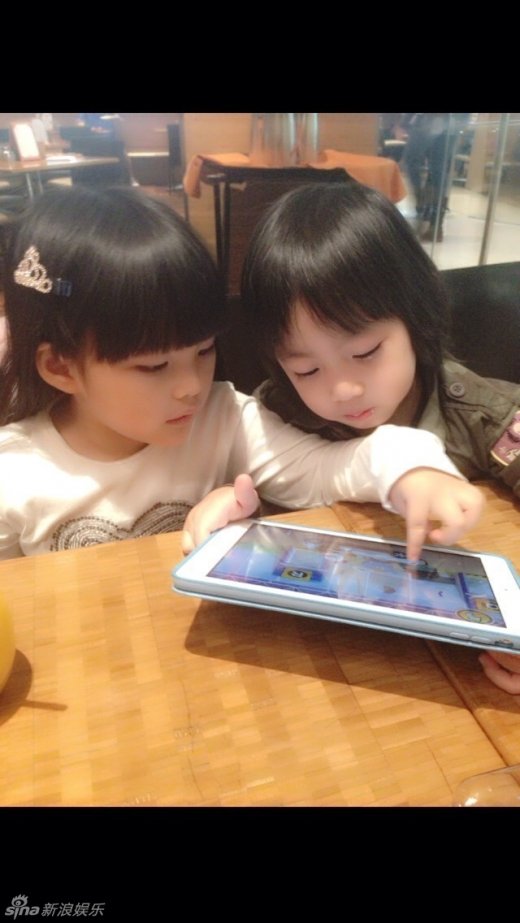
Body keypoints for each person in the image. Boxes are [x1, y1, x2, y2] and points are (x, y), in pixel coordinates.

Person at [0, 186, 482, 564]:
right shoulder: (14, 473)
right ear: (61, 367)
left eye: (204, 350)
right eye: (154, 366)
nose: (192, 386)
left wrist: (410, 465)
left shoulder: (223, 419)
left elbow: (326, 471)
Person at [240, 181, 519, 691]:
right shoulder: (279, 415)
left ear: (416, 316)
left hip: (459, 653)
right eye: (306, 370)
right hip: (322, 656)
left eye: (366, 352)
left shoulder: (479, 412)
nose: (343, 389)